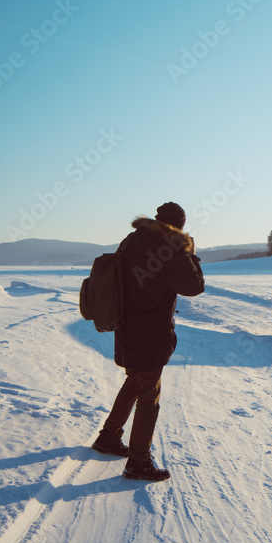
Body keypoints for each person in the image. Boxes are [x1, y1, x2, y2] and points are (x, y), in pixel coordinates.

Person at [91, 202, 205, 481]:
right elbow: (194, 286)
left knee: (135, 381)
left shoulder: (132, 240)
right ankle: (138, 462)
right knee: (148, 396)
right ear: (178, 224)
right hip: (151, 331)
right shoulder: (170, 247)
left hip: (127, 326)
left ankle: (108, 437)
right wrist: (190, 252)